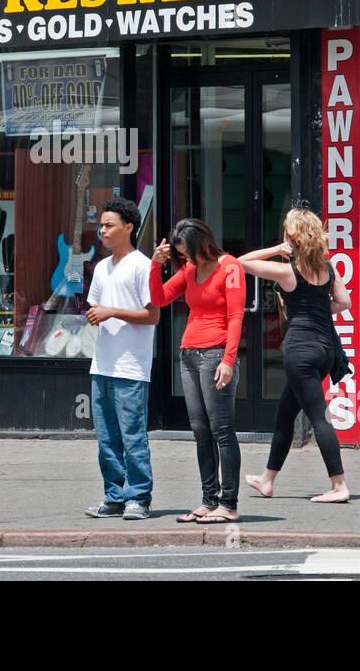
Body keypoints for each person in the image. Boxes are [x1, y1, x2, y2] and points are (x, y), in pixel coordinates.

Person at [240, 208, 352, 504]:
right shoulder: (328, 269)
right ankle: (267, 480)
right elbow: (344, 302)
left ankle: (339, 485)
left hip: (300, 351)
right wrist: (315, 309)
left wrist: (276, 249)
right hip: (325, 351)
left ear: (293, 237)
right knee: (285, 416)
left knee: (319, 417)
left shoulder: (287, 271)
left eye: (286, 232)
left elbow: (240, 263)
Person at [148, 218, 246, 524]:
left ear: (202, 243)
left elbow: (235, 316)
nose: (185, 259)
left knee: (222, 431)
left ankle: (228, 504)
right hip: (188, 356)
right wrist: (155, 265)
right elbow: (159, 298)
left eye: (187, 253)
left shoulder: (229, 267)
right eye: (180, 255)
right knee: (200, 431)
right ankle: (209, 500)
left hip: (216, 355)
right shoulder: (190, 270)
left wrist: (229, 360)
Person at [83, 198, 160, 521]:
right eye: (101, 225)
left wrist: (111, 311)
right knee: (106, 438)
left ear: (129, 228)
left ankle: (138, 497)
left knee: (132, 434)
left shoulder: (142, 266)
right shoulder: (102, 267)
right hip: (102, 363)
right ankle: (114, 495)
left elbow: (152, 315)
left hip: (131, 365)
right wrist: (97, 315)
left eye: (109, 225)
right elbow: (95, 307)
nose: (102, 230)